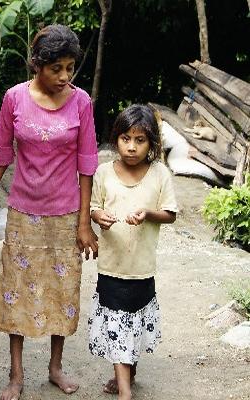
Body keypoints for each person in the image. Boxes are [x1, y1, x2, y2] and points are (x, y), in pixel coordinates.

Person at [0, 24, 99, 399]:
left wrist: (85, 222)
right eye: (57, 68)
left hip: (66, 215)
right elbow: (0, 155)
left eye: (70, 67)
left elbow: (87, 164)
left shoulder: (81, 101)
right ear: (38, 64)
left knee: (62, 291)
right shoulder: (15, 98)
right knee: (16, 292)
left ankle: (55, 367)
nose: (65, 76)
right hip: (23, 214)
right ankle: (16, 375)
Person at [88, 104, 178, 400]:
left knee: (134, 324)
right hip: (112, 267)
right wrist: (98, 216)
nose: (131, 147)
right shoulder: (103, 172)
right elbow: (93, 206)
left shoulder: (159, 173)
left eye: (140, 140)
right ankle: (125, 391)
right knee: (116, 325)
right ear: (116, 139)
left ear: (151, 143)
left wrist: (148, 214)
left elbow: (170, 213)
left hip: (141, 267)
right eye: (126, 138)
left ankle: (129, 372)